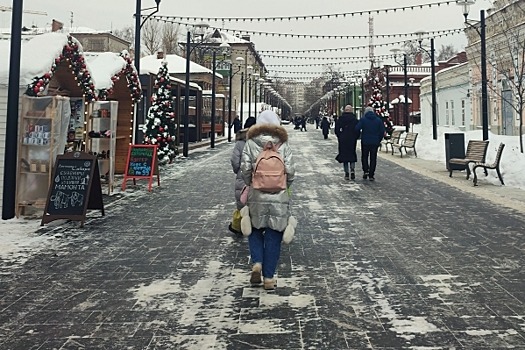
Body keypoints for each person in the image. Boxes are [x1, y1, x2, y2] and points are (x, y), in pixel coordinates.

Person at [240, 110, 296, 291]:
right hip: (279, 194)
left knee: (255, 229)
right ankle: (269, 278)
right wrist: (285, 185)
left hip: (256, 193)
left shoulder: (250, 142)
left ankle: (257, 262)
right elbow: (291, 170)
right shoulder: (283, 144)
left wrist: (252, 183)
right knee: (274, 234)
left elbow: (245, 168)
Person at [229, 116, 257, 236]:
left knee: (242, 203)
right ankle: (255, 227)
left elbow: (234, 160)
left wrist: (238, 171)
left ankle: (239, 227)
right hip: (256, 177)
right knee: (256, 203)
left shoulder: (240, 143)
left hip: (242, 177)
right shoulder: (258, 141)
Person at [355, 106, 385, 181]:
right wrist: (378, 139)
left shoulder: (363, 120)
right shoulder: (378, 120)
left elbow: (357, 128)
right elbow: (382, 131)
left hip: (365, 141)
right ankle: (371, 174)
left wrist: (360, 135)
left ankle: (366, 171)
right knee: (373, 158)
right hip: (375, 142)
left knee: (364, 156)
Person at [335, 105, 360, 180]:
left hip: (343, 139)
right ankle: (352, 169)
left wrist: (340, 136)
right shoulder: (354, 119)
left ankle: (346, 173)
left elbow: (337, 130)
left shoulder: (341, 119)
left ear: (344, 111)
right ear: (351, 110)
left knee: (344, 156)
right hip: (352, 139)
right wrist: (355, 136)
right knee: (352, 154)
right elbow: (357, 130)